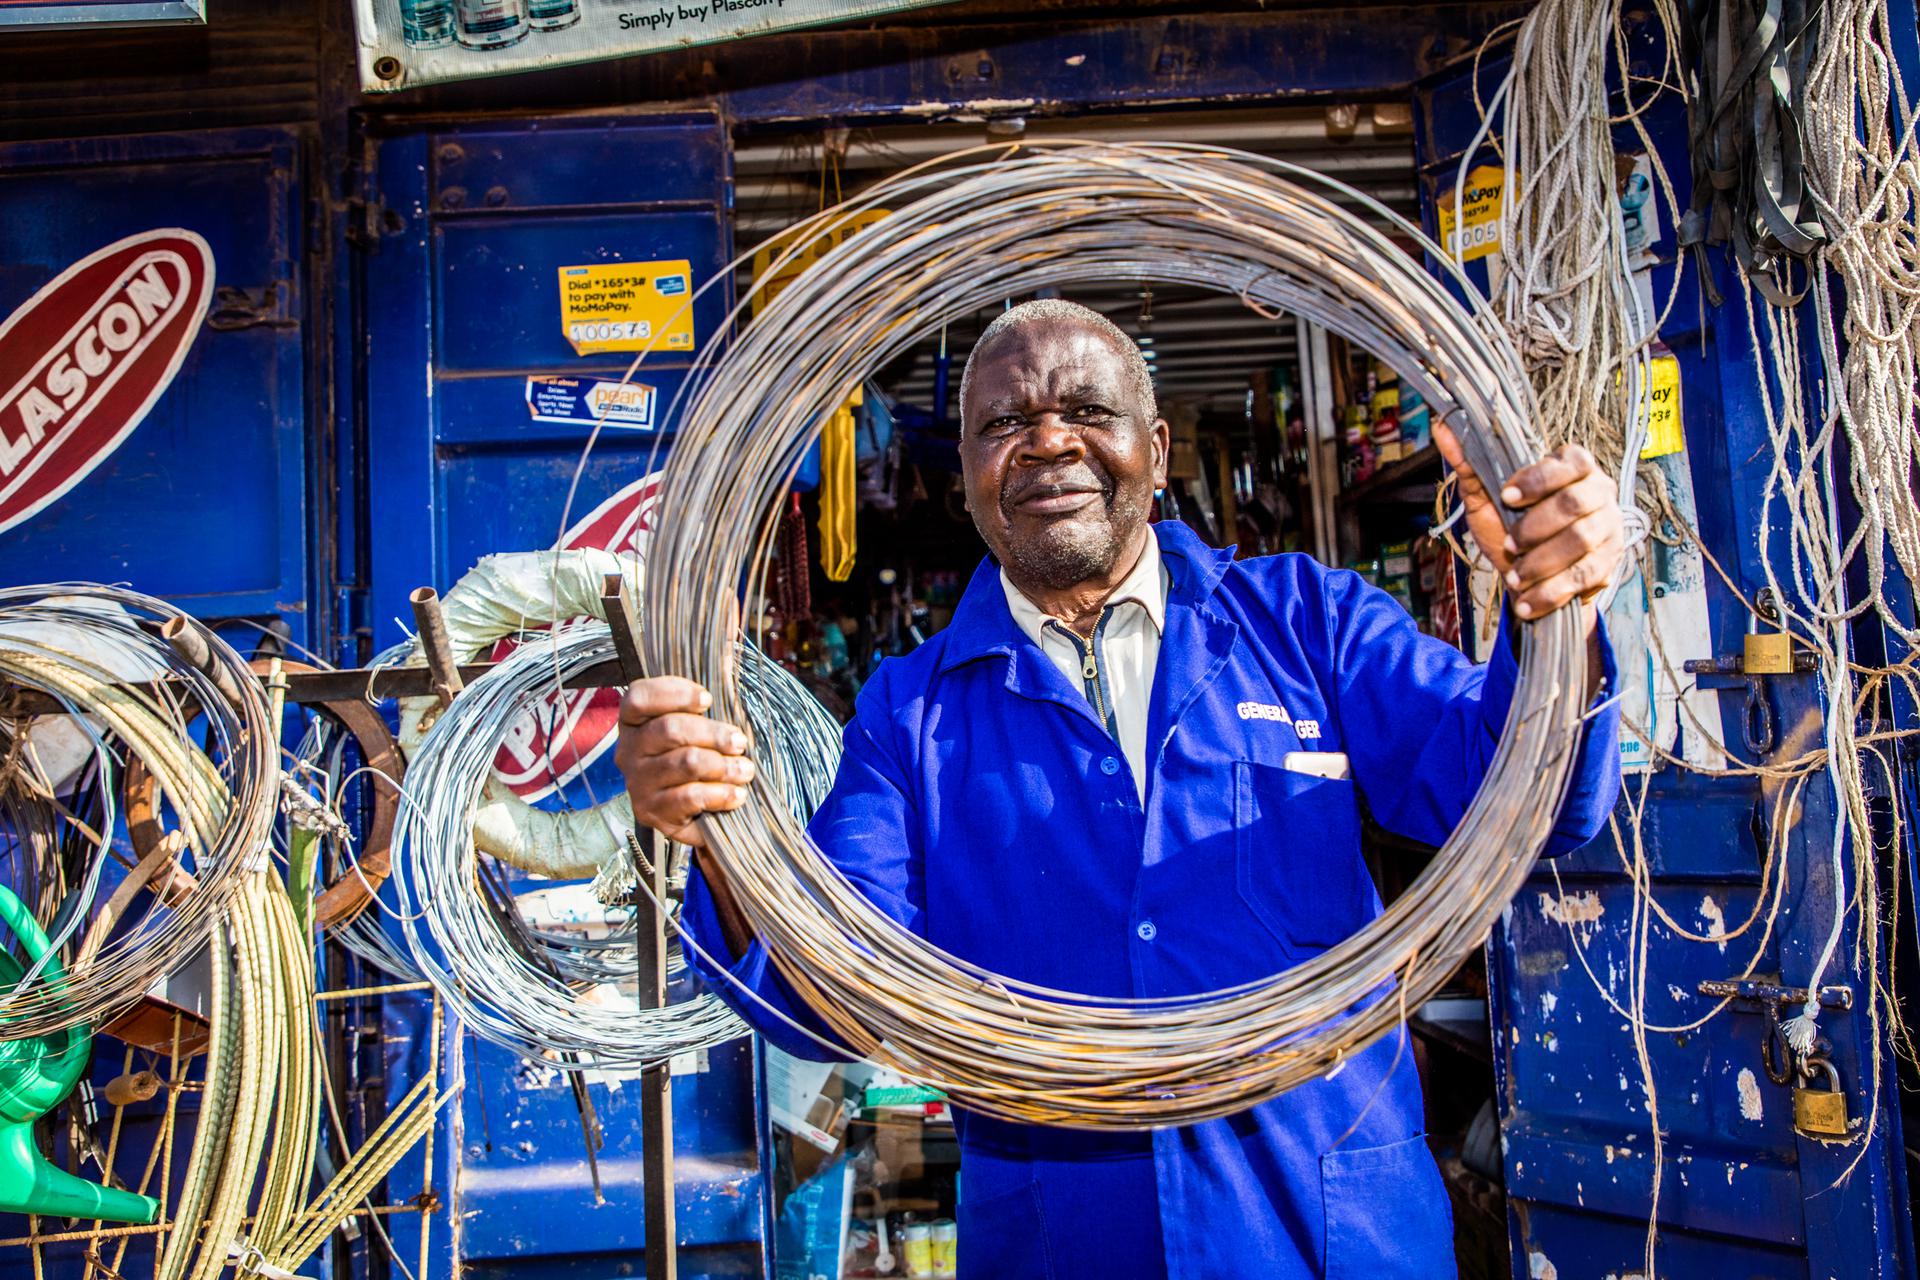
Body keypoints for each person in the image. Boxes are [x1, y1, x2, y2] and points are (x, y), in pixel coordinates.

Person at [617, 300, 1624, 1278]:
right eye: (1003, 424)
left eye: (1088, 411)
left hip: (1332, 1235)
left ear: (1159, 447)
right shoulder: (906, 716)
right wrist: (714, 825)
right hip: (1066, 1247)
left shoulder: (1307, 622)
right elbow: (822, 994)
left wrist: (1558, 616)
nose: (1048, 442)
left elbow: (1520, 800)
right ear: (965, 475)